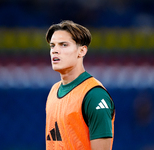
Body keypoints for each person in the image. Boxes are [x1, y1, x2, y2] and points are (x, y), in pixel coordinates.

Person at [45, 20, 115, 150]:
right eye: (52, 46)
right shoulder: (54, 91)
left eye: (63, 45)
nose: (55, 50)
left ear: (82, 51)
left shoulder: (94, 95)